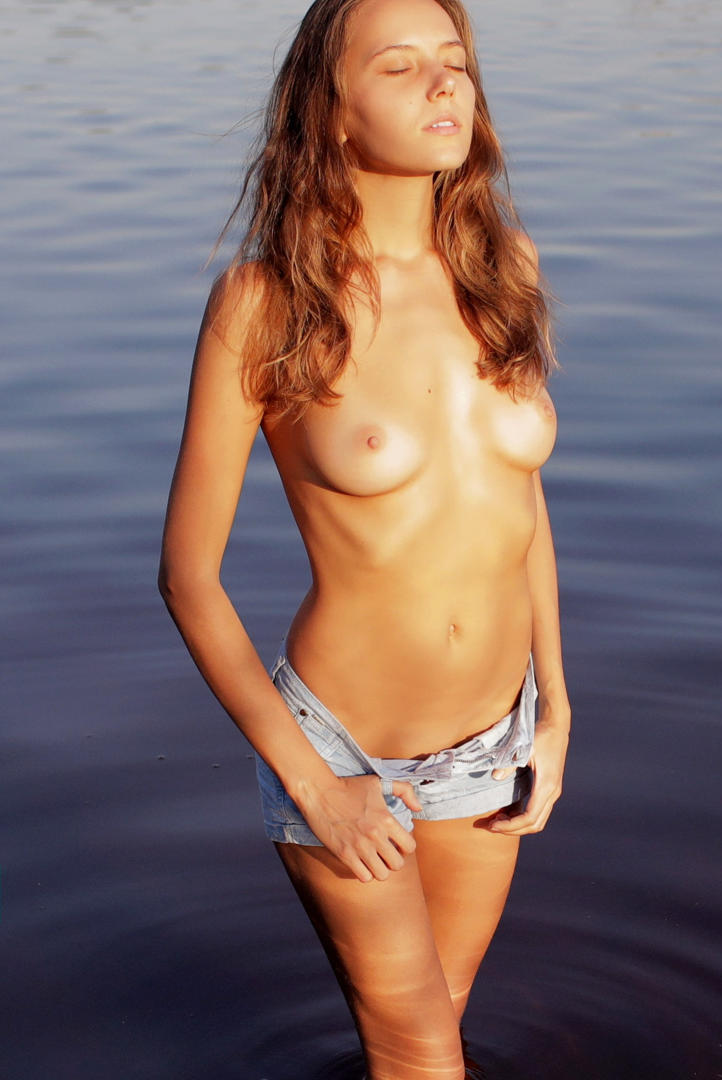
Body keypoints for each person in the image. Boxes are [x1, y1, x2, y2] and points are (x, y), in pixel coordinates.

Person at [157, 0, 568, 1075]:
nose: (443, 84)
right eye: (399, 66)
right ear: (331, 110)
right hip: (346, 751)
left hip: (493, 739)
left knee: (442, 1024)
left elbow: (520, 506)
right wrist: (314, 784)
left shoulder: (503, 270)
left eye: (454, 61)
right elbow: (189, 577)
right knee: (418, 1052)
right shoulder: (265, 304)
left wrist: (556, 711)